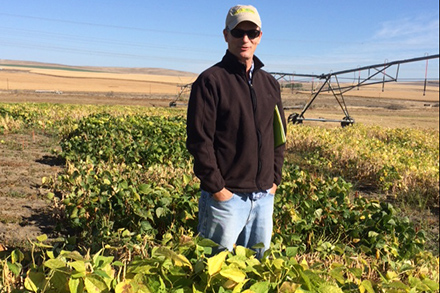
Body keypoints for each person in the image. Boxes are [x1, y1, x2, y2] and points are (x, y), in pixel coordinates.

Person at [186, 4, 286, 259]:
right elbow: (200, 141)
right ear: (225, 35)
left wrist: (274, 180)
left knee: (255, 272)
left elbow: (279, 136)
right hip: (227, 199)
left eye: (252, 33)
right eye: (238, 32)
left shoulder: (270, 84)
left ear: (260, 36)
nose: (245, 39)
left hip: (264, 197)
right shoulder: (210, 81)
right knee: (213, 272)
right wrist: (219, 190)